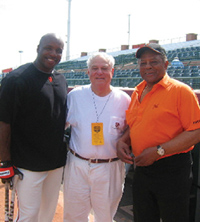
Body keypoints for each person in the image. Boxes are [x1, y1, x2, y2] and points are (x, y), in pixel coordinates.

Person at [116, 43, 200, 222]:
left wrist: (158, 151)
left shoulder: (181, 91)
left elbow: (195, 132)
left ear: (166, 64)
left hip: (171, 169)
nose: (147, 66)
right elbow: (136, 123)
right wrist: (123, 140)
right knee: (143, 217)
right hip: (143, 167)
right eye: (143, 63)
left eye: (153, 62)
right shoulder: (138, 91)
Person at [0, 33, 68, 222]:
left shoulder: (61, 80)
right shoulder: (16, 79)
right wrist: (4, 162)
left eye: (58, 50)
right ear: (38, 48)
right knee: (29, 216)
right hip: (27, 165)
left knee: (47, 213)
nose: (53, 54)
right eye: (49, 48)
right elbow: (4, 122)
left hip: (55, 163)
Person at [63, 52, 131, 222]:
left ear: (112, 72)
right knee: (73, 216)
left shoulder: (124, 100)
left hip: (110, 167)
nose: (99, 72)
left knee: (105, 217)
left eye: (104, 68)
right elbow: (59, 126)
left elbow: (131, 128)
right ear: (88, 72)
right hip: (77, 165)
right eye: (94, 68)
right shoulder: (75, 96)